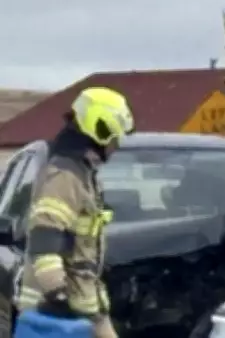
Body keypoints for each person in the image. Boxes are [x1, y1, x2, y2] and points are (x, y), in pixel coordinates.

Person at [15, 87, 135, 338]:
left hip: (83, 303)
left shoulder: (82, 173)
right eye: (113, 138)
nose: (116, 146)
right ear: (99, 130)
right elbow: (45, 236)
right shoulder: (64, 175)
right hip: (57, 310)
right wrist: (56, 292)